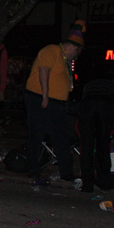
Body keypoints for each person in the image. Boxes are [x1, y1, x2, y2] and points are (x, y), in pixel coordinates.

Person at [21, 21, 85, 181]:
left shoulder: (65, 59)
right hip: (40, 99)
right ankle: (33, 170)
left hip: (56, 103)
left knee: (61, 137)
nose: (76, 56)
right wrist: (45, 95)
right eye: (77, 53)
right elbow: (44, 69)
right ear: (74, 48)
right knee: (36, 135)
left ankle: (66, 173)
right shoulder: (52, 50)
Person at [77, 66, 114, 192]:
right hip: (105, 105)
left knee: (86, 146)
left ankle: (87, 183)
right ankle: (104, 181)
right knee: (103, 145)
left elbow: (82, 104)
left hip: (89, 105)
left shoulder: (89, 85)